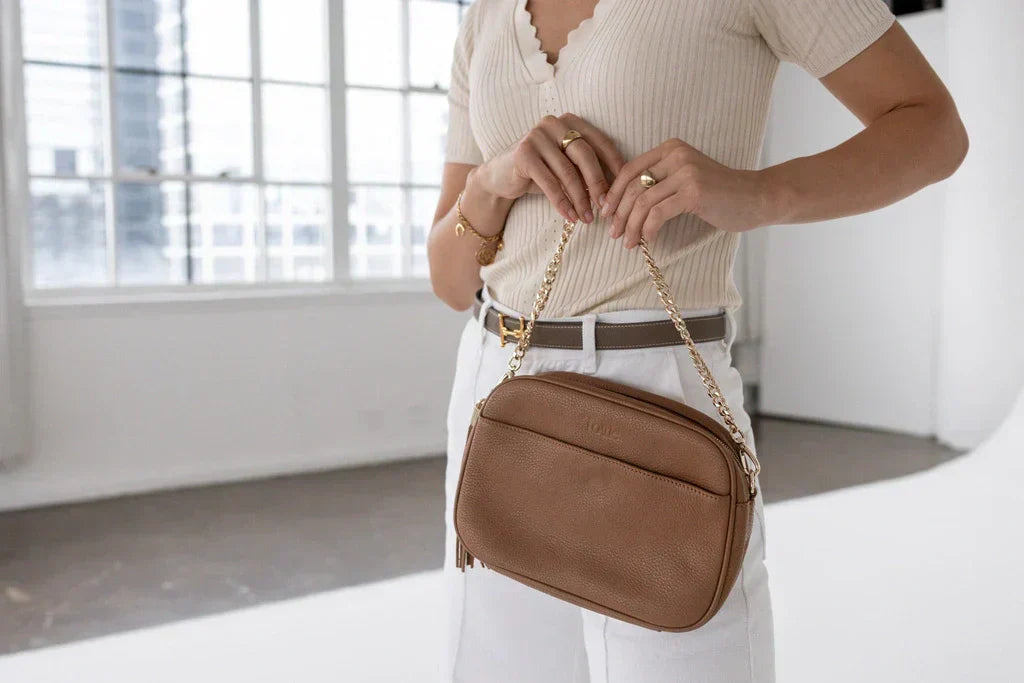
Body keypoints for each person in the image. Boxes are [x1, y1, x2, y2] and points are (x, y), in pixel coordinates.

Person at [426, 0, 967, 680]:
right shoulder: (484, 18)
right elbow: (449, 281)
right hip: (497, 388)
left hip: (660, 387)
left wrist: (759, 194)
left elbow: (933, 128)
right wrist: (491, 180)